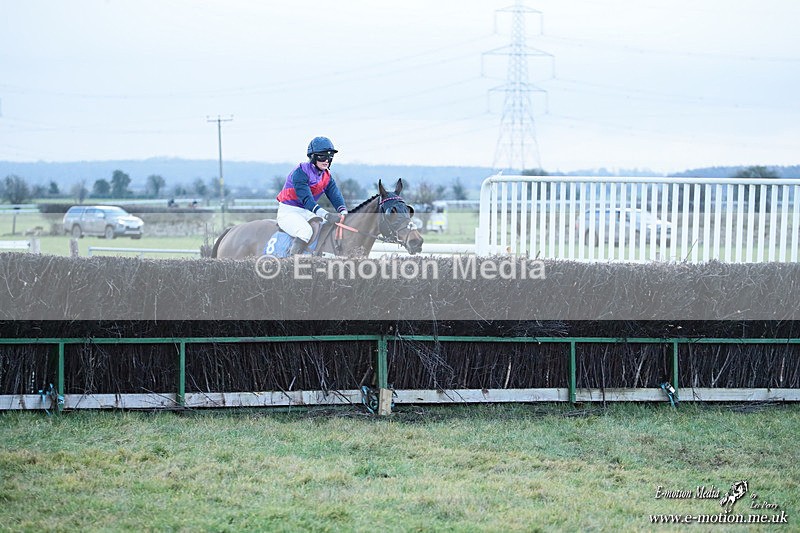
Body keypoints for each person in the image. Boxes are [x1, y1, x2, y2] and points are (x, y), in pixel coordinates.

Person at [276, 136, 348, 254]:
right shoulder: (300, 172)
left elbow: (335, 195)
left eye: (330, 156)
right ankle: (290, 264)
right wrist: (326, 215)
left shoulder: (326, 176)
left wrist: (344, 212)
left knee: (326, 229)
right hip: (289, 212)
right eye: (322, 156)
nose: (326, 160)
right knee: (305, 232)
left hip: (307, 213)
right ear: (313, 157)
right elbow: (307, 200)